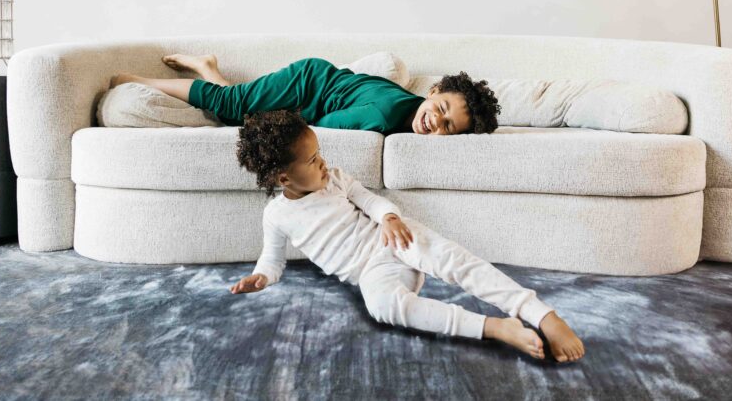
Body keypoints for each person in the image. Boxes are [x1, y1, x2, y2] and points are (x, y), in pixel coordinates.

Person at [228, 109, 586, 362]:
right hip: (372, 274)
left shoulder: (334, 178)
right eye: (311, 160)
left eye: (320, 153)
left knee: (453, 261)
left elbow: (367, 199)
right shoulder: (276, 215)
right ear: (283, 178)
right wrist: (262, 277)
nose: (322, 162)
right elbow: (272, 259)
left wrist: (389, 218)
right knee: (381, 307)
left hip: (391, 238)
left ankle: (540, 314)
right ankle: (495, 327)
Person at [109, 53, 500, 136]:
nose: (437, 121)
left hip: (318, 84)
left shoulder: (408, 111)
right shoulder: (386, 116)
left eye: (448, 126)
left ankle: (211, 70)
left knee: (242, 114)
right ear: (433, 92)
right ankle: (135, 79)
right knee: (229, 106)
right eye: (442, 108)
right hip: (307, 84)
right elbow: (320, 127)